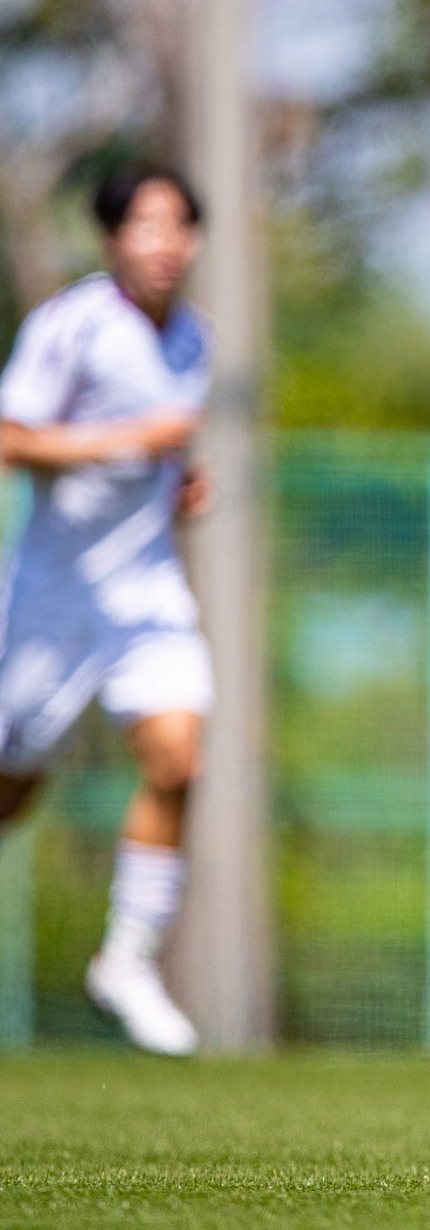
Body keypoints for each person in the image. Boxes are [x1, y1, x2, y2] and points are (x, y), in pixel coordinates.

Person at [0, 163, 215, 1056]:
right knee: (13, 787)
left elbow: (155, 462)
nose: (167, 244)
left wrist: (178, 484)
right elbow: (11, 436)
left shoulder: (193, 339)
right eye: (149, 225)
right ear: (112, 238)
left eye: (181, 226)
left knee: (177, 754)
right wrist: (135, 441)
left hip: (146, 590)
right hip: (55, 597)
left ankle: (126, 958)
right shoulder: (74, 323)